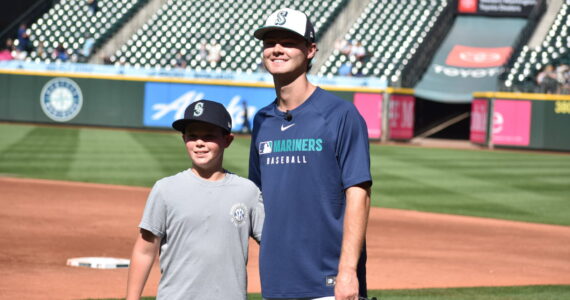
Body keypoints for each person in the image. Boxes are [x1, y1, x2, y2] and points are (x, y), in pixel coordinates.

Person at [249, 8, 372, 300]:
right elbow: (257, 196)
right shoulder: (262, 120)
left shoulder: (340, 114)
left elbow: (359, 193)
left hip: (328, 281)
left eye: (288, 42)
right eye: (270, 42)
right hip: (276, 279)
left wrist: (347, 272)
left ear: (311, 50)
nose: (277, 49)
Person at [126, 100, 264, 300]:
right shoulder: (165, 189)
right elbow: (145, 250)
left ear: (227, 140)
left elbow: (272, 244)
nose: (200, 143)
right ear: (184, 139)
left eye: (209, 136)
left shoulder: (247, 191)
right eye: (193, 136)